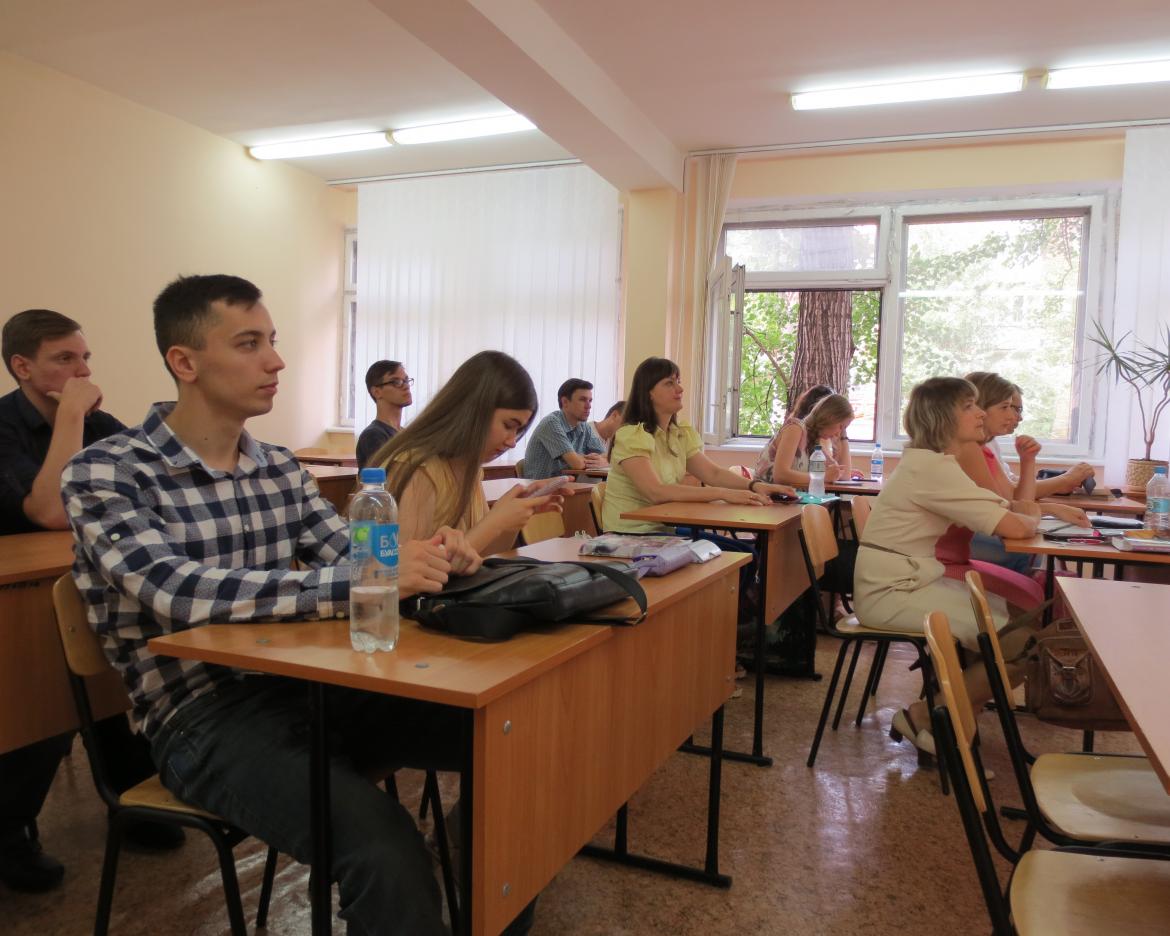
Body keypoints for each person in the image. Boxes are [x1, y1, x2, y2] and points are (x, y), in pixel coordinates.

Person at [61, 274, 486, 935]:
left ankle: (477, 895)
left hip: (312, 686)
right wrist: (369, 581)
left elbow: (350, 554)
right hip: (202, 718)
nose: (276, 361)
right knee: (384, 852)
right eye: (250, 344)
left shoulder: (280, 467)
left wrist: (429, 555)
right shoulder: (107, 471)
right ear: (185, 362)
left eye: (273, 341)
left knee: (506, 735)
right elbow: (174, 590)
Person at [0, 309, 179, 894]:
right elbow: (50, 512)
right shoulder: (7, 425)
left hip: (83, 579)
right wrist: (72, 416)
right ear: (22, 367)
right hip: (16, 600)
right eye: (64, 359)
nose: (82, 372)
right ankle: (9, 830)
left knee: (121, 662)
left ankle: (131, 793)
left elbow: (158, 486)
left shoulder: (104, 424)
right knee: (47, 697)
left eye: (85, 358)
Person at [853, 377, 1044, 766]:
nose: (980, 413)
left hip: (910, 581)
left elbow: (1003, 510)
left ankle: (947, 733)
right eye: (969, 407)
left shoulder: (934, 463)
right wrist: (1031, 515)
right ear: (943, 417)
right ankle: (928, 718)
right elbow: (1014, 524)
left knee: (1017, 631)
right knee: (1022, 645)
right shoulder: (932, 469)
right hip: (893, 592)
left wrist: (1025, 515)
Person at [378, 351, 564, 557]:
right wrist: (496, 521)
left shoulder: (468, 466)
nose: (512, 442)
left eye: (518, 431)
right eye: (508, 425)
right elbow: (414, 570)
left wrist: (510, 519)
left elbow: (483, 554)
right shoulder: (416, 468)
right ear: (474, 411)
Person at [602, 357, 795, 534]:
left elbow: (713, 474)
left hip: (664, 531)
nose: (679, 389)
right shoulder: (631, 435)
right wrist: (724, 494)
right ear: (648, 393)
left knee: (744, 552)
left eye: (678, 381)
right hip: (629, 535)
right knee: (738, 553)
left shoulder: (678, 434)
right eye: (669, 383)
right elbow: (656, 492)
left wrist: (756, 486)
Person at [943, 372, 1090, 578]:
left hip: (969, 536)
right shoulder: (968, 447)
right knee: (1023, 553)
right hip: (950, 546)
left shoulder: (983, 448)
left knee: (1031, 550)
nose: (1015, 417)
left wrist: (1028, 460)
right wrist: (1049, 509)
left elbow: (1016, 503)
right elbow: (1002, 508)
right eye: (1005, 407)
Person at [753, 392, 854, 489]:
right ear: (830, 417)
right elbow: (780, 475)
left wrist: (843, 438)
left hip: (789, 496)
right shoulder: (795, 429)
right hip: (766, 496)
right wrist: (823, 477)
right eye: (841, 427)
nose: (838, 434)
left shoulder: (813, 440)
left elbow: (844, 476)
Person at [521, 377, 606, 479]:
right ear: (565, 402)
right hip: (540, 486)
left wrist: (603, 461)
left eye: (590, 400)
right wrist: (595, 460)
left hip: (566, 485)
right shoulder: (551, 423)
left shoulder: (584, 427)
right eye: (583, 400)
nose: (589, 406)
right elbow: (577, 464)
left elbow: (606, 456)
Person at [355, 359, 413, 468]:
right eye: (396, 382)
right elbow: (391, 474)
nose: (406, 386)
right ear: (377, 392)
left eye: (406, 380)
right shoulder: (373, 436)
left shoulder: (405, 434)